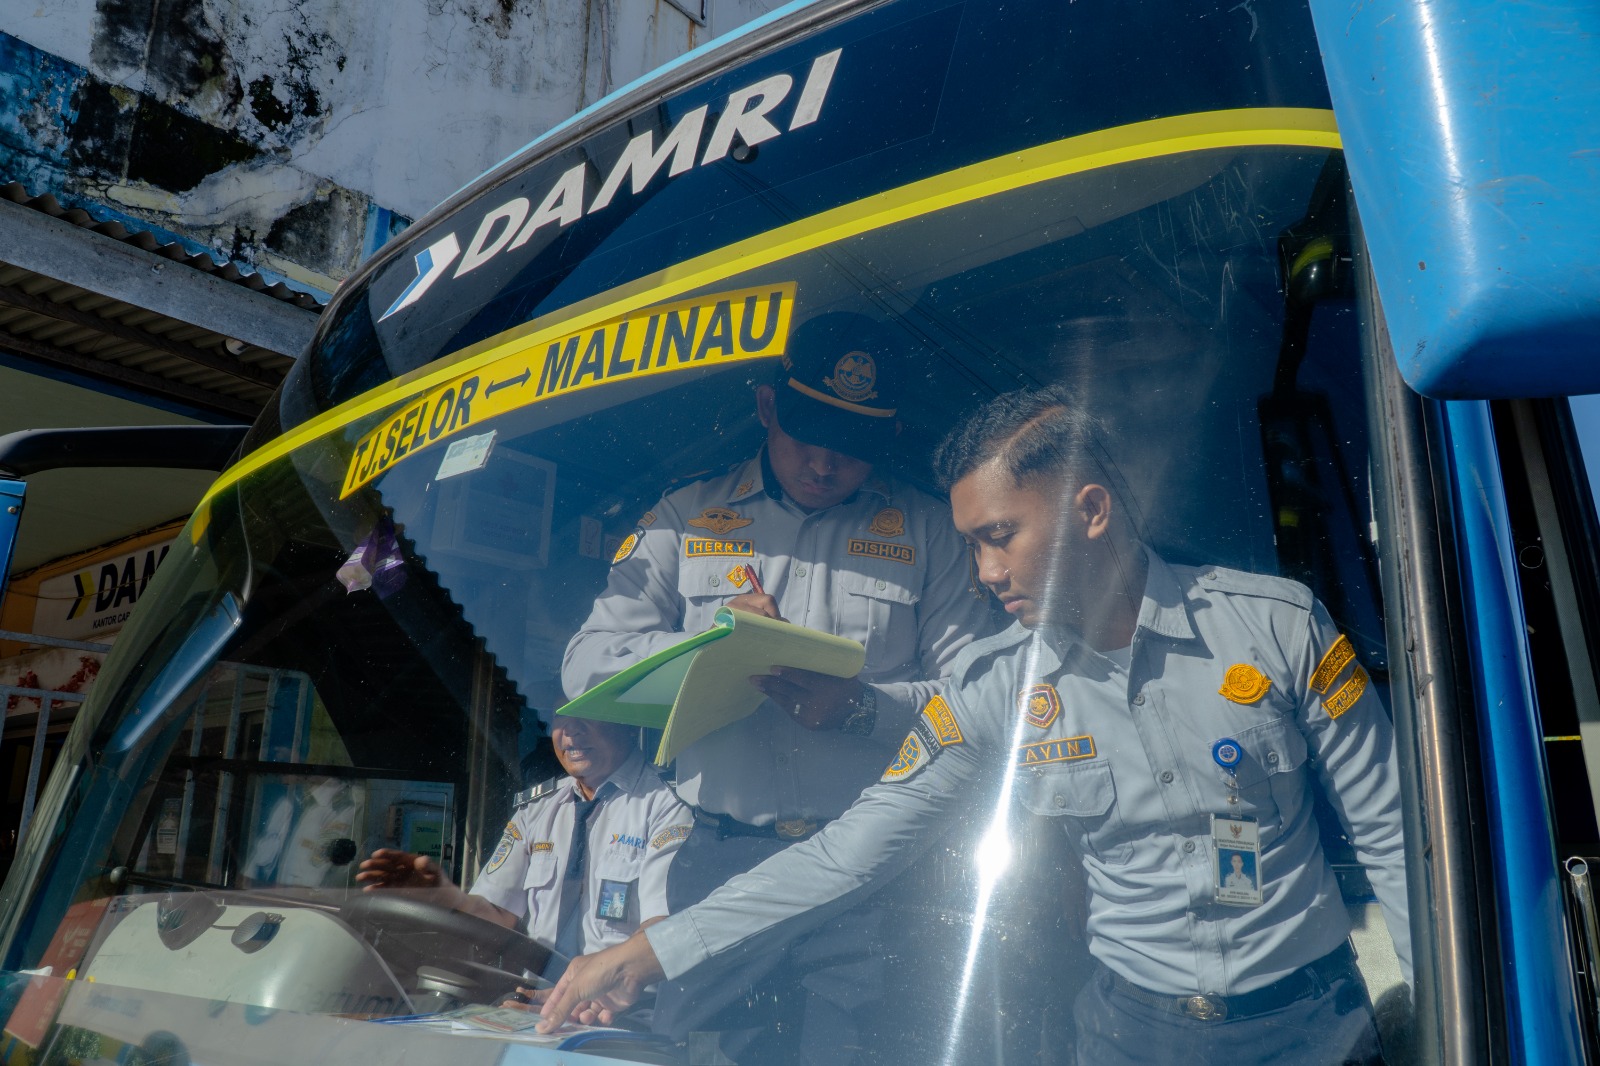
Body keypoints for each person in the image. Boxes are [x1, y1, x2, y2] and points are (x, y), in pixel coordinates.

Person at [540, 388, 1412, 1066]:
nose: (986, 572)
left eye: (1001, 535)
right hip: (1131, 1035)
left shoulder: (1277, 627)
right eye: (972, 545)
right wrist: (652, 950)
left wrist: (1441, 1012)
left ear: (1092, 511)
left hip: (1318, 1027)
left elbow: (1397, 836)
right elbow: (846, 855)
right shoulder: (993, 691)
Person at [560, 311, 993, 1060]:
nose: (825, 463)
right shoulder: (685, 517)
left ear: (889, 435)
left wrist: (864, 710)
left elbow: (980, 702)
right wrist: (709, 646)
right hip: (717, 857)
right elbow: (584, 666)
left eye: (852, 444)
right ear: (767, 407)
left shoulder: (929, 532)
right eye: (808, 434)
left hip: (867, 871)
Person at [356, 715, 690, 968]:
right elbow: (499, 915)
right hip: (534, 1000)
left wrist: (593, 985)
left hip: (621, 1011)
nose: (570, 730)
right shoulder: (537, 809)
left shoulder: (668, 804)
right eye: (560, 715)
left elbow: (661, 929)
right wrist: (441, 894)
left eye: (587, 713)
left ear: (628, 723)